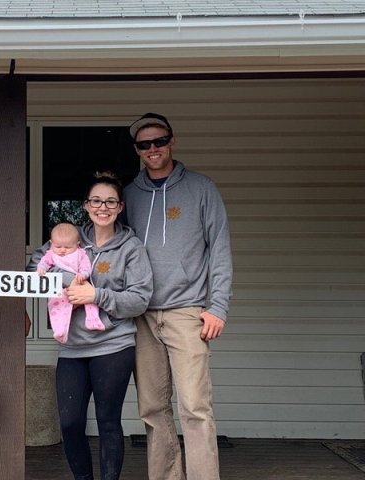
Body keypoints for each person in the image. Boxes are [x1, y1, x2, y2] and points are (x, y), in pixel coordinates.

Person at [123, 112, 233, 480]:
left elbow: (219, 249)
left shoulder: (201, 188)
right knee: (153, 410)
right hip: (141, 315)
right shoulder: (129, 195)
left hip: (187, 313)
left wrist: (218, 306)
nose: (152, 148)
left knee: (195, 408)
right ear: (137, 149)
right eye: (144, 144)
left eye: (159, 140)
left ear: (172, 141)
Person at [28, 172, 153, 480]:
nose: (102, 207)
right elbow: (35, 269)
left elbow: (139, 299)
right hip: (71, 347)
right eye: (96, 201)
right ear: (86, 205)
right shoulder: (69, 239)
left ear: (120, 206)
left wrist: (95, 295)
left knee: (108, 421)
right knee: (70, 423)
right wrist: (70, 281)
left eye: (110, 201)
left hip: (113, 345)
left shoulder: (131, 248)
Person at [36, 222, 104, 343]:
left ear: (77, 245)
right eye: (58, 247)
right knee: (57, 306)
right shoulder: (51, 253)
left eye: (67, 248)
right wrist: (41, 268)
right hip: (61, 289)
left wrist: (84, 273)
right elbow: (44, 262)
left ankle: (93, 320)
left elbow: (85, 265)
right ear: (51, 244)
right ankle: (60, 329)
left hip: (81, 284)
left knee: (91, 300)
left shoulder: (80, 253)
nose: (62, 250)